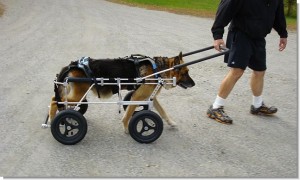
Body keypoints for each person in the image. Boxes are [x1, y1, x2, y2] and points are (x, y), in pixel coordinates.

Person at [207, 0, 288, 124]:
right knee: (237, 71)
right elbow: (225, 10)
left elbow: (278, 14)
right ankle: (216, 107)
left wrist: (283, 33)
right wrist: (217, 35)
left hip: (259, 37)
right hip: (241, 34)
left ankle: (257, 106)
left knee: (260, 71)